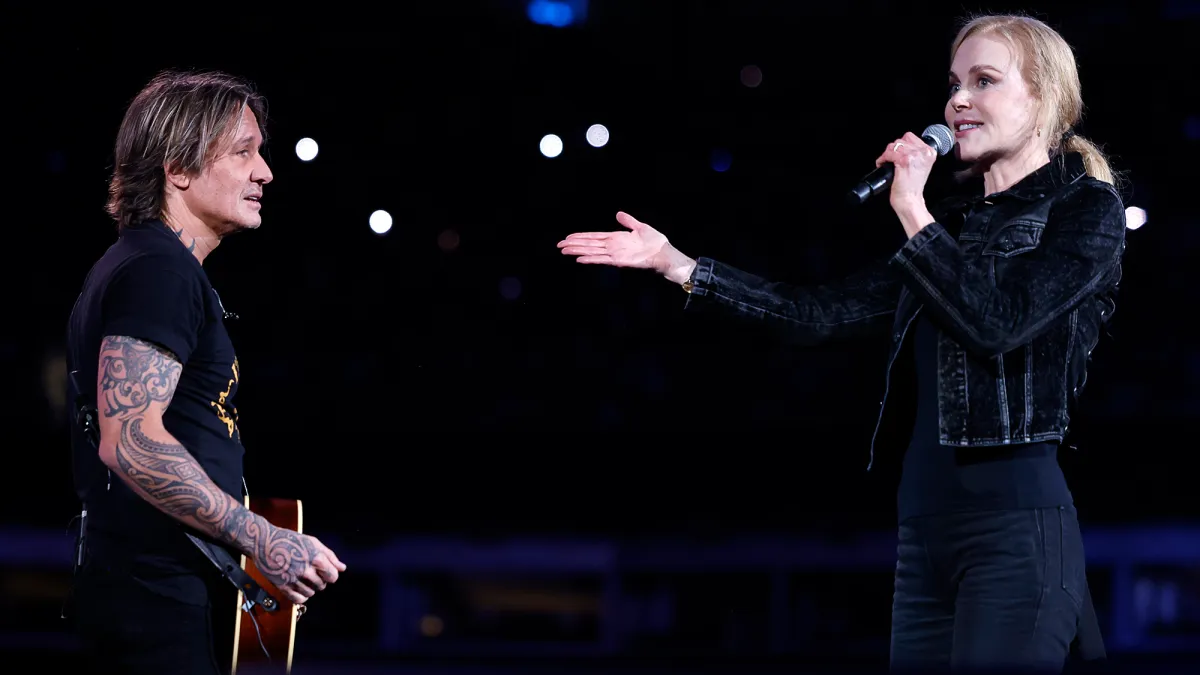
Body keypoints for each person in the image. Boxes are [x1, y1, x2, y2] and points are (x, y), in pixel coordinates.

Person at [558, 13, 1124, 673]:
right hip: (925, 535)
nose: (957, 100)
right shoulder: (952, 236)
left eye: (984, 80)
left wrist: (914, 211)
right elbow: (817, 313)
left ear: (1044, 98)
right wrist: (680, 265)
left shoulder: (1085, 212)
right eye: (953, 83)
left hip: (1015, 533)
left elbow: (999, 323)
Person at [64, 70, 346, 675]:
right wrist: (261, 538)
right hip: (155, 602)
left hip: (158, 591)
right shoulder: (157, 272)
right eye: (244, 152)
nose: (265, 172)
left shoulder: (152, 267)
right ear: (178, 169)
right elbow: (130, 442)